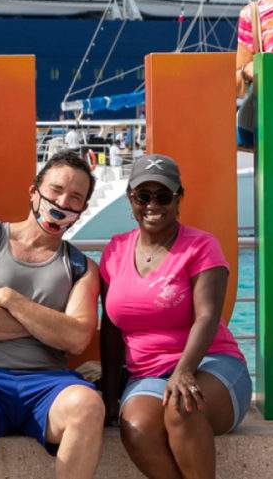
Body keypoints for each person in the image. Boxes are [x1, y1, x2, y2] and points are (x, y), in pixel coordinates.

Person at [0, 152, 109, 479]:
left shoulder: (81, 268)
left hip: (48, 381)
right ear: (34, 191)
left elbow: (76, 339)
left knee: (88, 407)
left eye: (75, 197)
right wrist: (49, 326)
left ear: (83, 209)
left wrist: (8, 298)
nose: (62, 201)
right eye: (56, 189)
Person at [99, 154, 251, 479]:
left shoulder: (201, 246)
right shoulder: (115, 250)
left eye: (163, 195)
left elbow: (208, 316)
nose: (153, 204)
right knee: (136, 427)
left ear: (179, 197)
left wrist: (183, 371)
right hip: (147, 375)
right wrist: (110, 397)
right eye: (144, 195)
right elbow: (110, 329)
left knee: (182, 406)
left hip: (210, 363)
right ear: (131, 198)